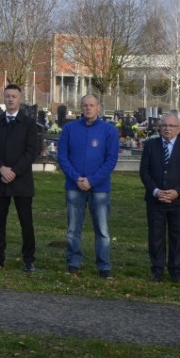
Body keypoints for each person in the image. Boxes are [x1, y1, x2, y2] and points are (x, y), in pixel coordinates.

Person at [56, 94, 120, 278]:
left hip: (99, 187)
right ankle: (73, 263)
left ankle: (104, 266)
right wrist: (76, 178)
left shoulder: (109, 130)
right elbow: (62, 157)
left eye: (91, 105)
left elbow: (111, 160)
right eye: (84, 105)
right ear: (81, 107)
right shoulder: (69, 129)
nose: (88, 108)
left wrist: (92, 180)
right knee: (73, 228)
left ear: (98, 107)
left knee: (102, 229)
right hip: (74, 185)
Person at [0, 84, 43, 273]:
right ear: (4, 98)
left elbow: (31, 151)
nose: (10, 99)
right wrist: (1, 169)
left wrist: (14, 171)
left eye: (14, 96)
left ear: (20, 98)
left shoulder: (29, 123)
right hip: (0, 179)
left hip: (21, 180)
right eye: (7, 96)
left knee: (26, 222)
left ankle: (29, 260)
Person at [139, 113, 180, 283]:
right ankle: (157, 269)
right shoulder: (150, 145)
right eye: (164, 125)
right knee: (155, 235)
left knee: (177, 236)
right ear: (159, 128)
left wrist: (177, 192)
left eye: (171, 126)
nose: (167, 128)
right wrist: (155, 191)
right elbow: (144, 171)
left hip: (179, 201)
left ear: (179, 129)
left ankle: (175, 270)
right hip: (155, 200)